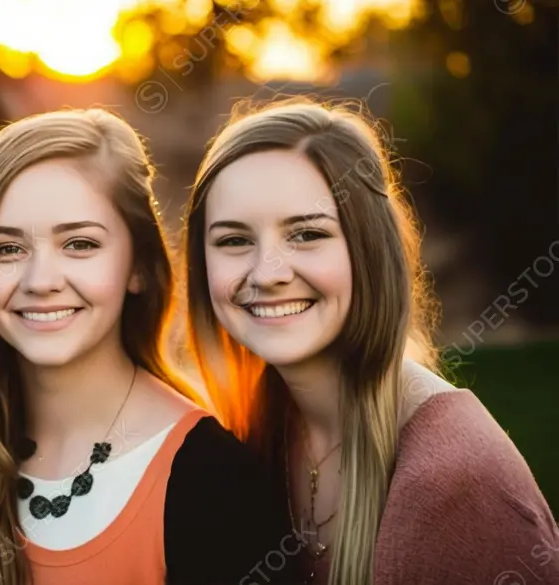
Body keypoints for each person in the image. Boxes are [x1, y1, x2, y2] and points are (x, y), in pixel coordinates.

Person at [179, 98, 559, 585]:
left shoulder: (456, 486)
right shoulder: (254, 434)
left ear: (368, 249)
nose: (267, 273)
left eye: (307, 234)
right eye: (233, 240)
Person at [0, 108, 302, 585]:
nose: (41, 281)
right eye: (7, 249)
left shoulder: (215, 483)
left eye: (80, 244)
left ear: (138, 266)